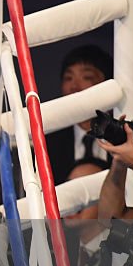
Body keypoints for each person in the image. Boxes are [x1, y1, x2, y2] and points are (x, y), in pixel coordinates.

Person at [44, 44, 113, 184]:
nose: (74, 86)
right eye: (68, 78)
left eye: (86, 77)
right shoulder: (48, 142)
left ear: (108, 84)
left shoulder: (127, 135)